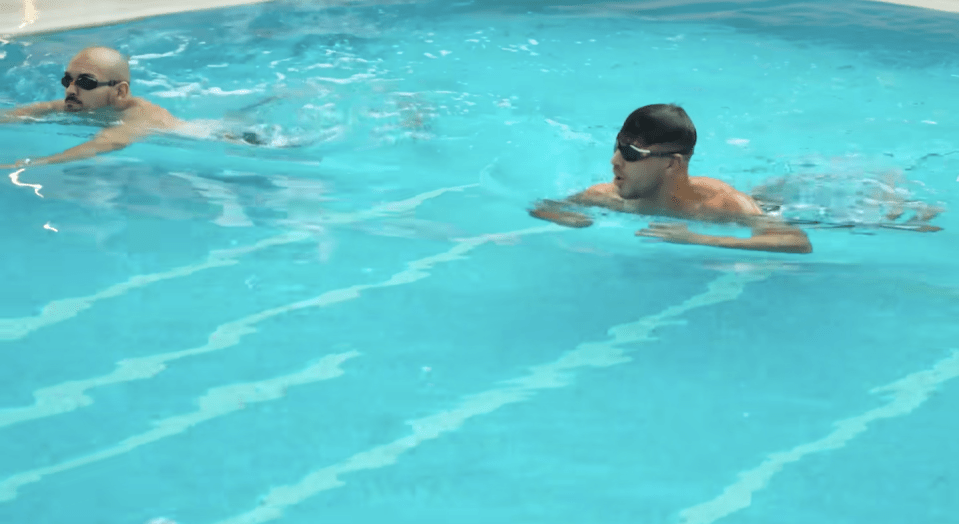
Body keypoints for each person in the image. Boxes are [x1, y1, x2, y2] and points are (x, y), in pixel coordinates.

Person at [529, 104, 814, 254]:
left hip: (787, 206)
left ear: (671, 164)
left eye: (630, 153)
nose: (614, 161)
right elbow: (544, 206)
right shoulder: (605, 196)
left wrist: (698, 239)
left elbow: (795, 241)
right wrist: (566, 219)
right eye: (616, 147)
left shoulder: (721, 204)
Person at [0, 46, 181, 169]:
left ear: (120, 92)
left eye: (85, 82)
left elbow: (105, 143)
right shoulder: (82, 102)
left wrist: (29, 164)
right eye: (67, 80)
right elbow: (29, 111)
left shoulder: (141, 116)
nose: (70, 89)